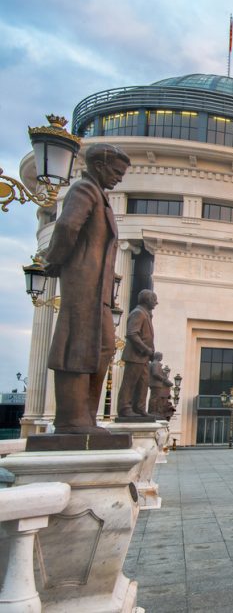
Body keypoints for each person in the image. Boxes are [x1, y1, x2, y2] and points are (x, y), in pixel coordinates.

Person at [44, 144, 129, 434]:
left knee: (103, 348)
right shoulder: (84, 190)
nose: (119, 178)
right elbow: (67, 226)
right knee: (77, 347)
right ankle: (71, 420)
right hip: (84, 284)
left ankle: (85, 417)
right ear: (99, 165)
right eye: (116, 172)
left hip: (99, 290)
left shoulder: (101, 197)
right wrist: (53, 261)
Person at [117, 290, 159, 420]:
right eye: (154, 300)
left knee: (143, 383)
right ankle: (124, 408)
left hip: (143, 358)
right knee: (130, 383)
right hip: (135, 356)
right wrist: (146, 349)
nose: (156, 303)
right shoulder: (138, 313)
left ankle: (139, 408)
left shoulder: (146, 314)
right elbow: (131, 334)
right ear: (147, 300)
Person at [147, 352, 174, 417]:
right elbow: (155, 373)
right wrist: (163, 378)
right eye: (161, 356)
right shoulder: (156, 364)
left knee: (153, 397)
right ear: (158, 357)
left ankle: (152, 411)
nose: (161, 358)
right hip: (156, 384)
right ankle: (153, 411)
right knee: (155, 398)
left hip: (153, 383)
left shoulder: (152, 364)